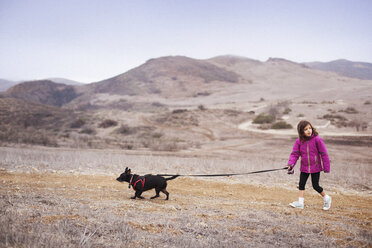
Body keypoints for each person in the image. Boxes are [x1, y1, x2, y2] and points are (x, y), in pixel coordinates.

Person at [286, 120, 331, 210]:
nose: (308, 130)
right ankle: (300, 203)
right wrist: (290, 164)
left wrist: (326, 167)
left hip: (316, 167)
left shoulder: (317, 139)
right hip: (304, 167)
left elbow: (324, 154)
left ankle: (327, 198)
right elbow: (295, 154)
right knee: (301, 184)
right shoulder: (299, 141)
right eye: (306, 129)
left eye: (309, 128)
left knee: (316, 186)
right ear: (301, 131)